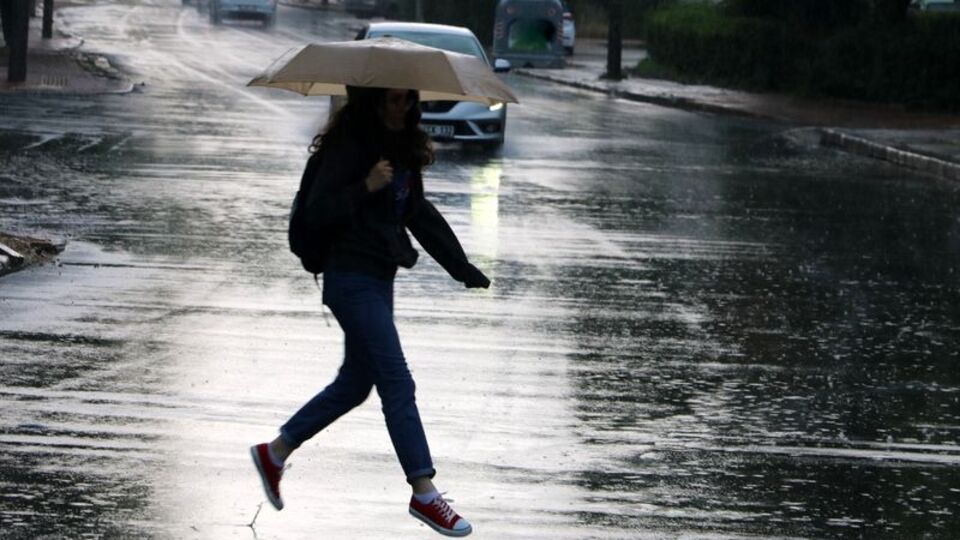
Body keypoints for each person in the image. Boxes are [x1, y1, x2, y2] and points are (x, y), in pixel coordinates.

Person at [250, 85, 489, 538]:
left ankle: (274, 452)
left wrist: (461, 267)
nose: (403, 107)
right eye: (393, 99)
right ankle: (424, 491)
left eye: (408, 100)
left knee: (356, 384)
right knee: (397, 380)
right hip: (348, 278)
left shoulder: (400, 150)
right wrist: (366, 186)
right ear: (374, 101)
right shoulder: (348, 148)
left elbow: (418, 214)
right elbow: (317, 214)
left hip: (379, 280)